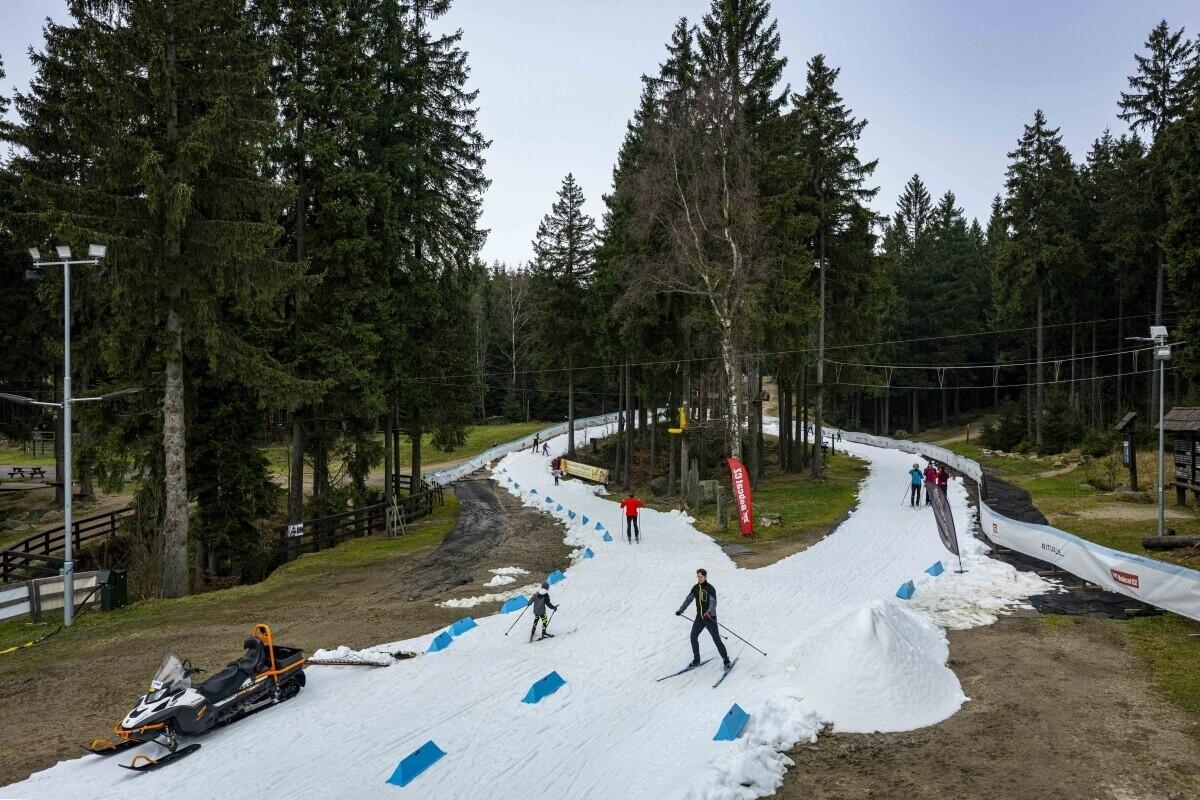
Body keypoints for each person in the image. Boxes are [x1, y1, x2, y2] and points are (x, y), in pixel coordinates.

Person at [675, 568, 731, 670]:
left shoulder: (710, 588)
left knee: (717, 640)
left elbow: (713, 603)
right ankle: (696, 660)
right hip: (700, 618)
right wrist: (681, 610)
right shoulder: (695, 588)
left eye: (701, 576)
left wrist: (709, 612)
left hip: (710, 618)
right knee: (693, 636)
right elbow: (688, 600)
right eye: (698, 576)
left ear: (705, 576)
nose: (700, 578)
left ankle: (726, 660)